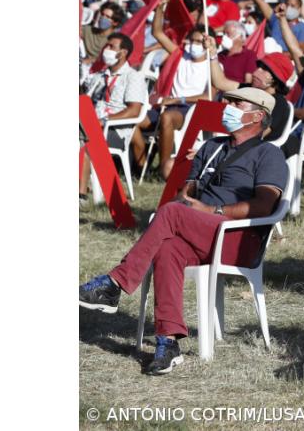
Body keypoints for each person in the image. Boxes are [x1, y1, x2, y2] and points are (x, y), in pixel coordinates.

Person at [79, 88, 288, 375]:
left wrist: (211, 211)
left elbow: (264, 206)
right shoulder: (212, 147)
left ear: (257, 115)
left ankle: (115, 284)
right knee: (167, 247)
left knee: (172, 212)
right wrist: (188, 199)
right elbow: (185, 193)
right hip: (200, 232)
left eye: (237, 104)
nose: (228, 108)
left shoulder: (270, 154)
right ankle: (168, 341)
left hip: (236, 238)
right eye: (229, 102)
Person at [132, 6, 212, 180]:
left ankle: (163, 169)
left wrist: (178, 98)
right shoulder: (179, 55)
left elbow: (209, 96)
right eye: (191, 40)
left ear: (208, 43)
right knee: (134, 119)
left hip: (190, 109)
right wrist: (161, 7)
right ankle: (142, 168)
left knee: (167, 118)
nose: (193, 45)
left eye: (198, 42)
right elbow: (157, 32)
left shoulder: (213, 66)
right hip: (166, 104)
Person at [79, 33, 148, 200]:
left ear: (122, 53)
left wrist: (103, 121)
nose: (106, 50)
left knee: (85, 142)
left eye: (111, 47)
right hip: (92, 124)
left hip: (116, 130)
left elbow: (134, 111)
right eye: (106, 46)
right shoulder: (100, 76)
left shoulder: (133, 76)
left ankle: (80, 196)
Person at [204, 42, 296, 144]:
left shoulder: (279, 104)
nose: (256, 72)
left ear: (276, 79)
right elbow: (220, 82)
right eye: (259, 66)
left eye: (265, 69)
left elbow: (257, 134)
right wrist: (212, 54)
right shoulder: (249, 89)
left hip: (254, 152)